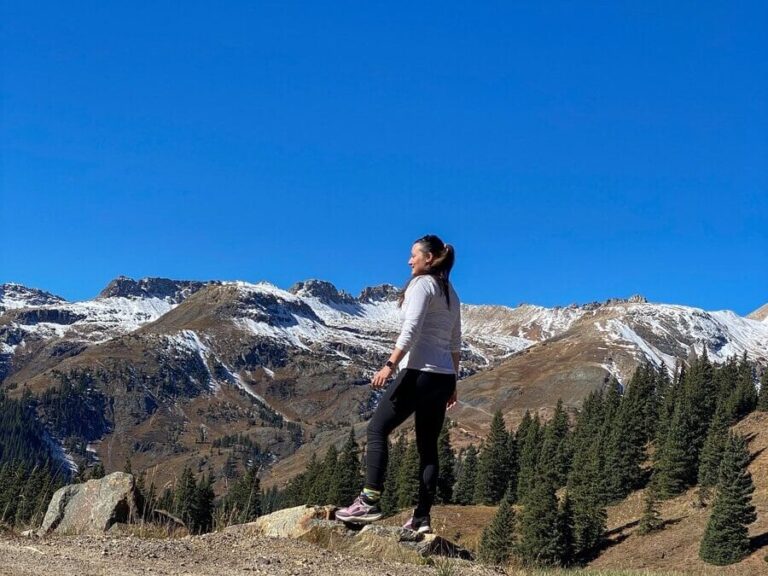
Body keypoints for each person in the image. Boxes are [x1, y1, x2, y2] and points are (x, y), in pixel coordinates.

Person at [335, 234, 461, 534]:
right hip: (443, 378)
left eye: (413, 255)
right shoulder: (451, 293)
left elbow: (411, 330)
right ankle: (421, 517)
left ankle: (369, 501)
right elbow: (456, 344)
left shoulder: (422, 285)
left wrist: (390, 365)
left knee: (377, 429)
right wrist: (453, 383)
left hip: (418, 373)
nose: (409, 260)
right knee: (428, 447)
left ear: (429, 258)